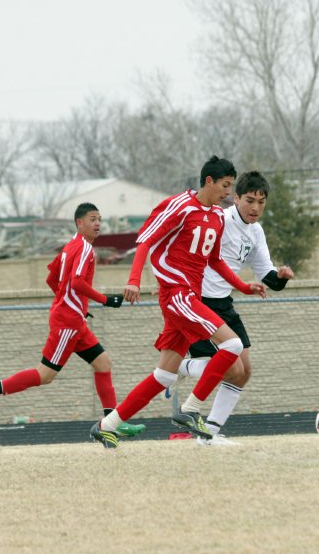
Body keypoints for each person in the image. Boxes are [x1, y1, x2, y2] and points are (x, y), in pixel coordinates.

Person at [90, 156, 267, 448]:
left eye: (230, 186)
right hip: (176, 293)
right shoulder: (181, 206)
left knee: (163, 374)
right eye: (225, 185)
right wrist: (133, 279)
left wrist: (243, 287)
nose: (227, 193)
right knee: (232, 345)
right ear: (209, 181)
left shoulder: (215, 217)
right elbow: (145, 239)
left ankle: (107, 426)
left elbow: (216, 261)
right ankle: (190, 410)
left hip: (189, 295)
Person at [0, 202, 145, 437]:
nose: (97, 224)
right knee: (45, 375)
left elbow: (52, 279)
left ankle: (111, 422)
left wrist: (73, 304)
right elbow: (77, 282)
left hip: (73, 320)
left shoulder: (70, 247)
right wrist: (103, 300)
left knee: (103, 363)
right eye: (92, 219)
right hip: (68, 324)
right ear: (79, 223)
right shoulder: (83, 248)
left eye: (100, 220)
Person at [175, 171, 294, 445]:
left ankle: (209, 435)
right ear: (236, 198)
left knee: (244, 372)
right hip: (199, 301)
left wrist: (282, 277)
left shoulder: (256, 231)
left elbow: (268, 276)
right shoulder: (219, 220)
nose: (255, 208)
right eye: (249, 200)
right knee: (227, 368)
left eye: (261, 203)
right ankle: (181, 367)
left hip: (224, 303)